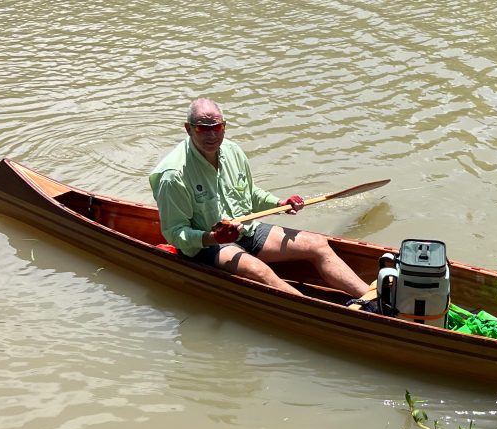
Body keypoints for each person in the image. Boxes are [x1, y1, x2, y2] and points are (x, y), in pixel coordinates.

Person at [149, 98, 371, 299]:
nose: (212, 135)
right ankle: (318, 312)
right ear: (189, 129)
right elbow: (175, 234)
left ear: (224, 126)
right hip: (206, 246)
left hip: (246, 230)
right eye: (203, 129)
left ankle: (373, 302)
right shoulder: (173, 175)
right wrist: (214, 237)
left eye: (217, 127)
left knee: (318, 244)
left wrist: (279, 203)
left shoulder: (233, 151)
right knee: (260, 270)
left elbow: (250, 193)